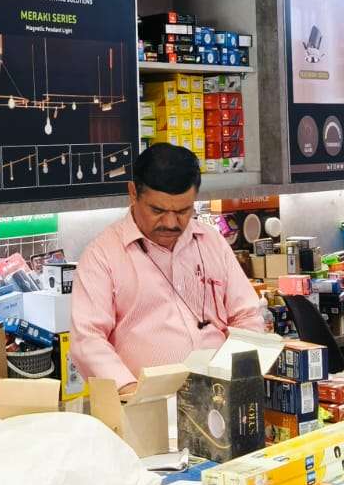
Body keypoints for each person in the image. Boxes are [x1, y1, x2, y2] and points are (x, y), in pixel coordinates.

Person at [71, 143, 263, 393]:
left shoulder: (211, 241)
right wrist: (133, 393)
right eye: (158, 210)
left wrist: (235, 375)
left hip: (220, 395)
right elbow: (87, 339)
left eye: (183, 211)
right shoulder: (102, 255)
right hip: (144, 403)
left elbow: (247, 315)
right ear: (133, 193)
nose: (171, 223)